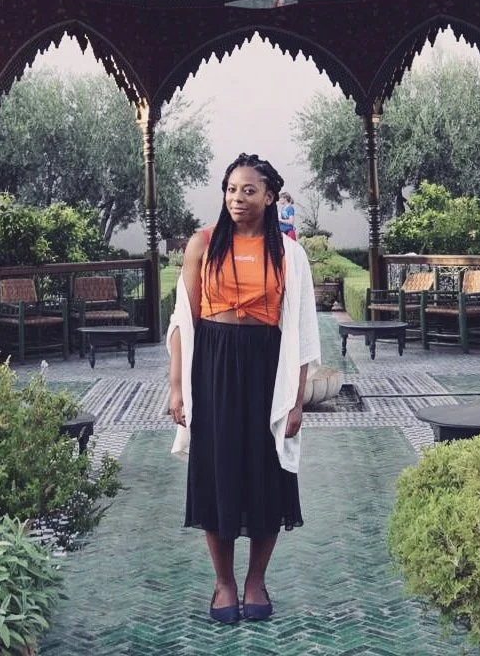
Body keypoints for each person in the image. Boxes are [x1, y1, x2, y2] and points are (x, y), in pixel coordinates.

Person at [167, 153, 321, 625]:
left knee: (266, 474)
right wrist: (176, 387)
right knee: (216, 474)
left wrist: (297, 399)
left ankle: (255, 580)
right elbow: (181, 320)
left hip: (266, 370)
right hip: (211, 368)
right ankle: (224, 583)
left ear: (270, 196)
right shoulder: (203, 244)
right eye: (232, 189)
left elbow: (300, 329)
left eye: (249, 190)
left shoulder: (289, 254)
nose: (238, 198)